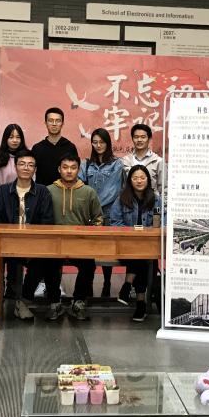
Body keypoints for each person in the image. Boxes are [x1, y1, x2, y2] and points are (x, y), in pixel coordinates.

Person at [0, 150, 55, 320]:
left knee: (43, 261)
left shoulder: (43, 192)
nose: (26, 168)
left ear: (35, 169)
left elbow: (47, 222)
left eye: (31, 165)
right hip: (7, 243)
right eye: (22, 164)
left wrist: (34, 244)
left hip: (34, 244)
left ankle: (23, 301)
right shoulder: (2, 192)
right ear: (16, 166)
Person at [44, 153, 103, 321]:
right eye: (65, 167)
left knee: (88, 265)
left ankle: (78, 302)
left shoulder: (88, 191)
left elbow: (98, 218)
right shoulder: (48, 190)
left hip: (80, 243)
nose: (69, 171)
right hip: (55, 243)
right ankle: (54, 302)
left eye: (73, 167)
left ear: (78, 169)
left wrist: (89, 237)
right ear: (59, 169)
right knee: (49, 264)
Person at [109, 164, 163, 322]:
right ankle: (140, 303)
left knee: (143, 256)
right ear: (129, 180)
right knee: (142, 258)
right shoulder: (122, 198)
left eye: (142, 178)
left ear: (148, 179)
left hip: (148, 244)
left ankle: (127, 286)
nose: (139, 181)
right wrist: (131, 234)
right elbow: (115, 222)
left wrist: (149, 232)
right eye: (135, 178)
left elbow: (164, 221)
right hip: (126, 245)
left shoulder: (156, 199)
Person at [79, 128, 124, 298]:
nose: (98, 145)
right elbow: (80, 185)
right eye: (95, 142)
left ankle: (107, 282)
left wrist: (94, 204)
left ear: (108, 143)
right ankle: (88, 284)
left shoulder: (116, 164)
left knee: (107, 251)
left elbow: (113, 190)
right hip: (88, 215)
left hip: (109, 213)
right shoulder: (86, 164)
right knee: (88, 251)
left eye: (102, 142)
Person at [31, 107, 77, 187]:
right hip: (42, 192)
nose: (54, 124)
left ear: (62, 124)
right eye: (50, 120)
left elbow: (74, 173)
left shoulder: (70, 147)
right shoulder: (37, 148)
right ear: (45, 123)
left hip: (65, 191)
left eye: (58, 121)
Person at [121, 123, 165, 197]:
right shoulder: (125, 161)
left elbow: (164, 189)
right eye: (136, 137)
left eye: (143, 137)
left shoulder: (158, 161)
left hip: (151, 202)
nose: (139, 140)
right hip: (130, 202)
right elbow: (122, 186)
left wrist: (161, 203)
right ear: (132, 139)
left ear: (149, 139)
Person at [0, 124, 29, 194]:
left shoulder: (27, 157)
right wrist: (2, 197)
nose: (15, 140)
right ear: (5, 139)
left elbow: (32, 178)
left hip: (24, 197)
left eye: (18, 137)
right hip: (3, 197)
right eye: (11, 137)